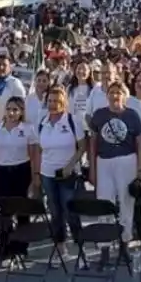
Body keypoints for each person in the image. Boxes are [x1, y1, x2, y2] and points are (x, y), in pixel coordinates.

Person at [88, 80, 141, 242]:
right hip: (104, 162)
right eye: (112, 92)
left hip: (126, 160)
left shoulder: (132, 115)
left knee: (127, 201)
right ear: (107, 96)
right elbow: (92, 142)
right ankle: (104, 244)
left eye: (119, 92)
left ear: (125, 96)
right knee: (104, 201)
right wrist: (92, 168)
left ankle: (125, 241)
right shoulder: (99, 114)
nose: (115, 96)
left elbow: (140, 142)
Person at [35, 86, 86, 253]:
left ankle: (79, 245)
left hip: (68, 174)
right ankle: (60, 244)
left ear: (63, 103)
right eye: (49, 101)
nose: (52, 104)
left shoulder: (72, 121)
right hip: (47, 174)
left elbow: (82, 146)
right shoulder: (42, 122)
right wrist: (37, 174)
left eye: (56, 101)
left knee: (70, 210)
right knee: (55, 211)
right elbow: (39, 150)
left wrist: (70, 166)